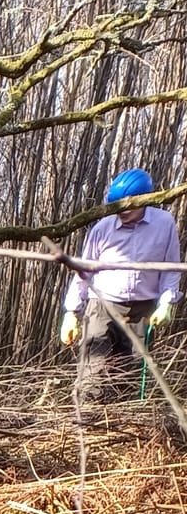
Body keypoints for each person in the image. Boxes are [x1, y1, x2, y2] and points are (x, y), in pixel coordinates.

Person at [60, 169, 180, 409]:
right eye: (118, 205)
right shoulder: (102, 228)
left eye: (130, 205)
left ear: (145, 199)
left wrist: (167, 302)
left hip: (142, 309)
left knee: (130, 372)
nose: (123, 211)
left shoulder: (164, 224)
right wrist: (71, 312)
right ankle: (87, 422)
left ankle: (121, 428)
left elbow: (171, 267)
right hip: (102, 306)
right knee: (93, 372)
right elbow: (83, 271)